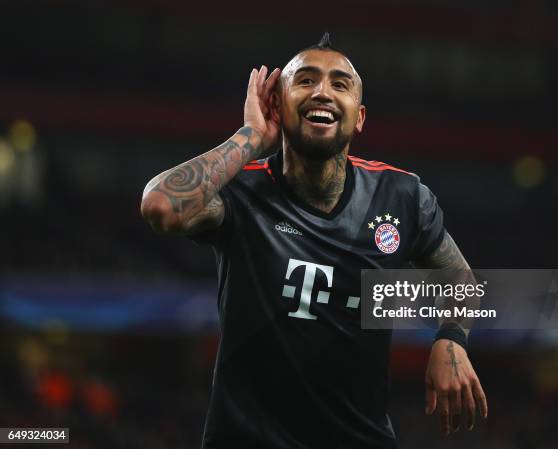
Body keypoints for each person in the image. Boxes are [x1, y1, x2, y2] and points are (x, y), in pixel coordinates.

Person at [141, 33, 487, 449]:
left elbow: (459, 277)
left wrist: (452, 338)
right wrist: (251, 135)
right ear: (279, 105)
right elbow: (160, 206)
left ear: (358, 117)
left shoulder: (403, 197)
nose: (322, 91)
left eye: (339, 84)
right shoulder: (241, 192)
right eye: (305, 81)